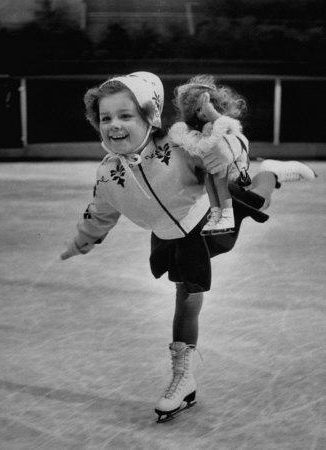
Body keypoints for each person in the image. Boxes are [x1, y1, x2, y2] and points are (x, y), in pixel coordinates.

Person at [60, 72, 316, 423]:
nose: (114, 125)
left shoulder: (178, 146)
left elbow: (230, 151)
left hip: (208, 218)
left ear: (150, 117)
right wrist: (82, 239)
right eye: (106, 118)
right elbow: (100, 212)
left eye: (125, 115)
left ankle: (271, 172)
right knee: (186, 291)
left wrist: (222, 150)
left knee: (255, 199)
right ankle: (184, 374)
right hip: (168, 236)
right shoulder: (107, 174)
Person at [170, 74, 251, 235]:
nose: (202, 113)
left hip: (233, 172)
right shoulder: (200, 128)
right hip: (213, 167)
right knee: (210, 183)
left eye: (207, 106)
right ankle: (216, 214)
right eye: (198, 110)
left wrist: (210, 110)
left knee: (223, 185)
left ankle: (228, 216)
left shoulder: (224, 123)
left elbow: (234, 135)